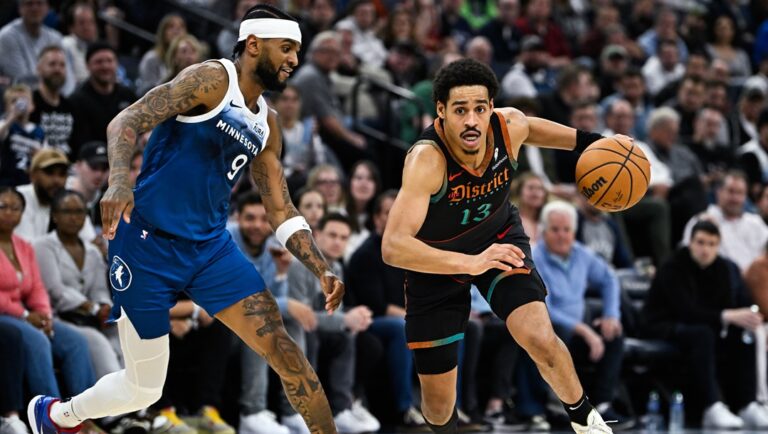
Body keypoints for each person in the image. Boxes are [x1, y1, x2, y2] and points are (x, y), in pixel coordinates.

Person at [28, 5, 343, 434]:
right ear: (254, 44)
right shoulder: (211, 79)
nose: (294, 59)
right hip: (146, 243)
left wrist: (321, 267)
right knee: (143, 389)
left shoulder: (268, 123)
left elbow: (280, 209)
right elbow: (126, 120)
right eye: (286, 48)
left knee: (289, 357)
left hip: (210, 249)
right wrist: (119, 181)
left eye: (298, 50)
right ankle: (57, 415)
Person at [381, 58, 617, 434]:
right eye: (460, 110)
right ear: (441, 111)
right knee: (439, 405)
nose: (472, 120)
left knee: (539, 337)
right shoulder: (427, 160)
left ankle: (588, 422)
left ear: (491, 107)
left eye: (480, 108)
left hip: (499, 239)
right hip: (436, 264)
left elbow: (532, 127)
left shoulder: (508, 127)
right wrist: (470, 262)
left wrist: (596, 142)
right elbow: (393, 246)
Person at [644, 220, 768, 429]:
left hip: (704, 325)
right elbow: (685, 311)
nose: (705, 249)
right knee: (703, 334)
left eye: (711, 244)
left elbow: (737, 303)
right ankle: (712, 405)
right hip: (663, 325)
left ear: (718, 246)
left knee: (744, 332)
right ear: (690, 243)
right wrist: (726, 315)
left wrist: (749, 316)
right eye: (700, 242)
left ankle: (748, 404)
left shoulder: (724, 268)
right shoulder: (672, 267)